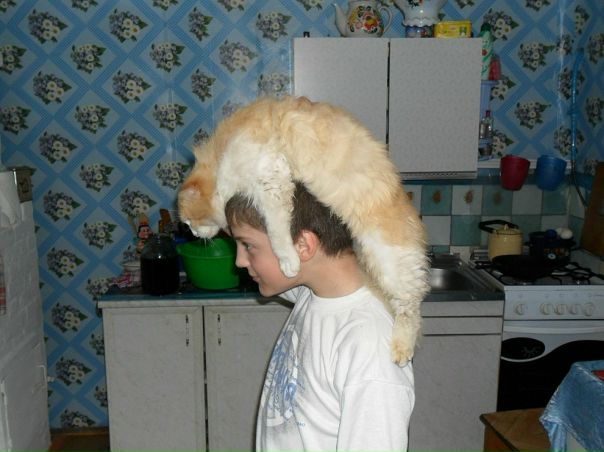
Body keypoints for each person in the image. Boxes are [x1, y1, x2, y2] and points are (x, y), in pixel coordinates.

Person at [225, 182, 415, 452]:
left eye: (248, 245)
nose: (240, 261)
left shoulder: (369, 345)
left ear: (303, 245)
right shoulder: (313, 291)